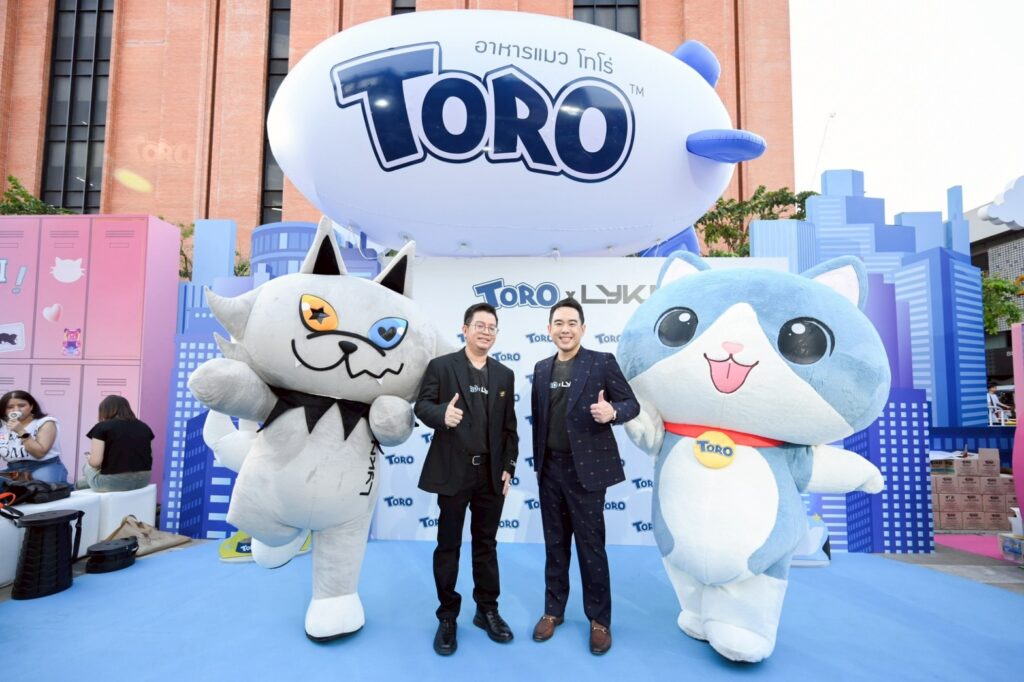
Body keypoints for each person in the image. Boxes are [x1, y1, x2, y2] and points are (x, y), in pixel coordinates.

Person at [530, 297, 639, 655]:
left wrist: (613, 412)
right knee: (555, 545)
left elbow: (631, 404)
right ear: (549, 329)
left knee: (591, 548)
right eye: (559, 323)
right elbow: (539, 422)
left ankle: (599, 620)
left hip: (586, 473)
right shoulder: (541, 369)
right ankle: (553, 611)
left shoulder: (601, 362)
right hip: (550, 470)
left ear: (583, 328)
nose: (565, 329)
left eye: (572, 323)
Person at [415, 302, 519, 656]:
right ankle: (447, 616)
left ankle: (487, 610)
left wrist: (509, 466)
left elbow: (509, 428)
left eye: (492, 327)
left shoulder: (504, 374)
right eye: (480, 326)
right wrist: (441, 414)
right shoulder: (442, 367)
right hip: (453, 472)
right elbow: (422, 406)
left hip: (491, 475)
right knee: (448, 546)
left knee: (486, 545)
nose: (486, 332)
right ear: (465, 329)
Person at [76, 395, 154, 492]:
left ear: (105, 410)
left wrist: (89, 459)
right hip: (143, 480)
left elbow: (96, 462)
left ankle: (72, 489)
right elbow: (148, 456)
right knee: (84, 482)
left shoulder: (102, 427)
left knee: (87, 467)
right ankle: (77, 485)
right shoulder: (145, 427)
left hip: (113, 482)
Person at [0, 390, 68, 486]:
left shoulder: (45, 422)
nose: (16, 410)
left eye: (21, 405)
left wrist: (21, 431)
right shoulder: (3, 427)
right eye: (10, 407)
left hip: (43, 465)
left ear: (31, 406)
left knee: (42, 487)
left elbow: (39, 453)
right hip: (13, 469)